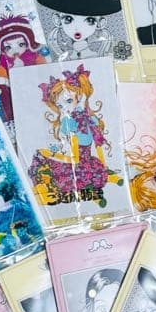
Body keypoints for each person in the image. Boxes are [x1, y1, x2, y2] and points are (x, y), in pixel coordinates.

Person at [29, 64, 120, 207]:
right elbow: (73, 143)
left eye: (69, 101)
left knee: (43, 156)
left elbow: (84, 148)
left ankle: (94, 192)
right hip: (80, 160)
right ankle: (94, 191)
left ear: (80, 97)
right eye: (60, 105)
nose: (64, 108)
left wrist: (54, 153)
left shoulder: (79, 119)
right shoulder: (75, 120)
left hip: (80, 162)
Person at [35, 0, 125, 61]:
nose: (78, 27)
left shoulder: (104, 55)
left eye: (90, 20)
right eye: (68, 19)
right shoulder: (56, 54)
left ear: (100, 23)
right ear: (57, 20)